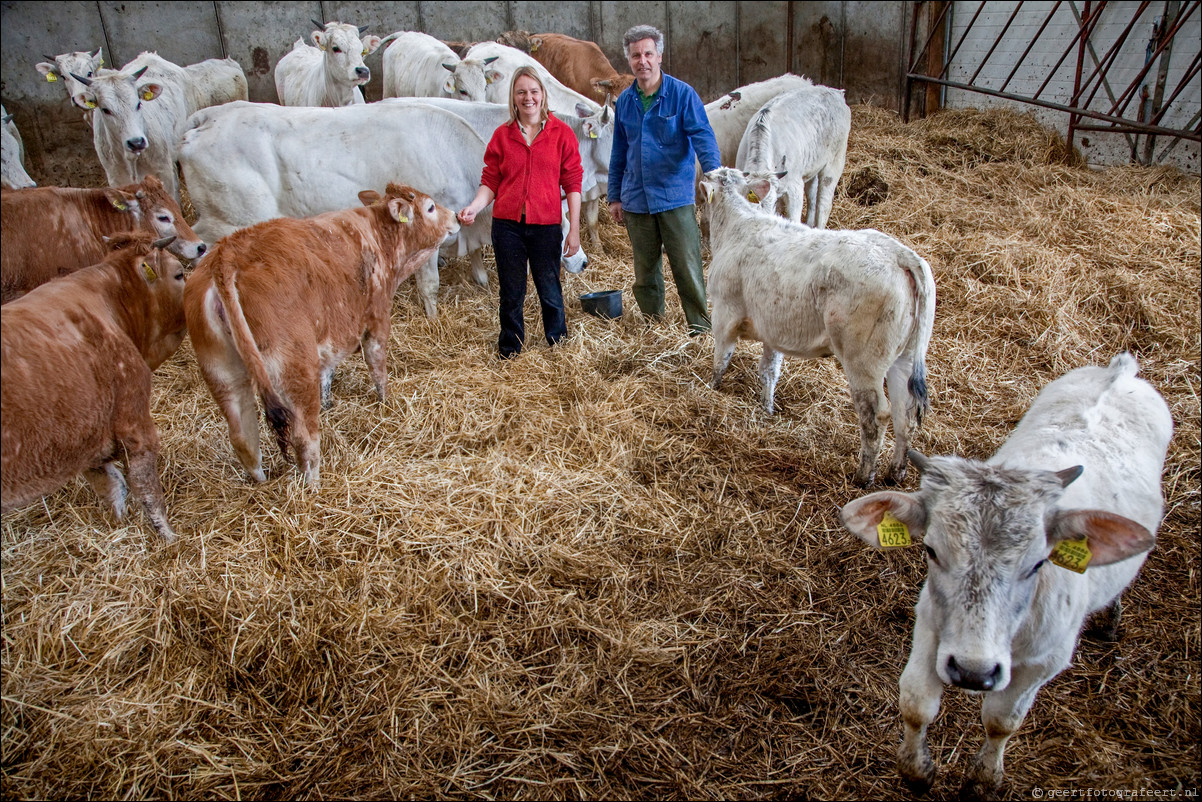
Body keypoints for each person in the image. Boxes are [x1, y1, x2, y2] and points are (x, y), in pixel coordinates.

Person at [460, 66, 583, 359]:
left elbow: (573, 183)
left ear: (543, 95)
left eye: (533, 91)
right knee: (511, 291)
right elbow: (490, 180)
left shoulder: (561, 134)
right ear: (513, 98)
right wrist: (474, 207)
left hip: (546, 225)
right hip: (508, 226)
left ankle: (558, 344)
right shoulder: (502, 136)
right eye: (521, 92)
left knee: (549, 288)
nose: (528, 98)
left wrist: (574, 229)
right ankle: (510, 349)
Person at [607, 24, 721, 336]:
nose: (641, 61)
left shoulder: (682, 95)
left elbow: (703, 137)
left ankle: (699, 329)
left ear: (659, 56)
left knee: (687, 266)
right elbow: (619, 151)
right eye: (635, 55)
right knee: (645, 271)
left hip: (674, 197)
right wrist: (615, 196)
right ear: (629, 61)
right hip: (636, 199)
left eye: (647, 53)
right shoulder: (626, 102)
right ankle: (653, 327)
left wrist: (715, 176)